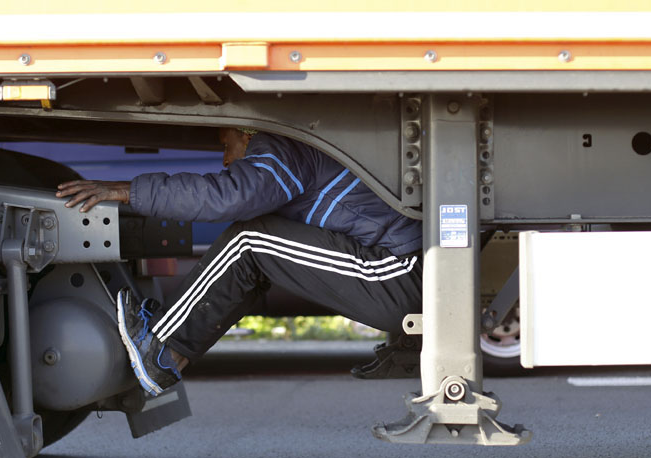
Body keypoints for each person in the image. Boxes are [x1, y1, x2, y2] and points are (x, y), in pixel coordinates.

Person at [56, 128, 422, 395]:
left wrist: (127, 191)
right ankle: (169, 357)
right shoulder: (302, 152)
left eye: (225, 144)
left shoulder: (281, 147)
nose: (227, 158)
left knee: (250, 240)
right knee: (257, 248)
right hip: (401, 269)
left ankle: (163, 352)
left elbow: (229, 197)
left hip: (400, 271)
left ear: (247, 133)